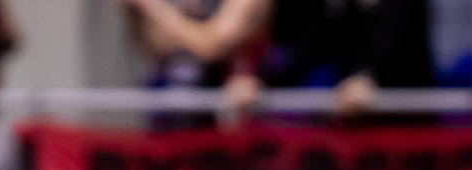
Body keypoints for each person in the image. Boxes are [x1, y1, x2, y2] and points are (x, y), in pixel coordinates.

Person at [116, 0, 434, 115]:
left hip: (263, 120)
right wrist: (134, 13)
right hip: (196, 104)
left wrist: (151, 6)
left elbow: (212, 44)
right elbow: (157, 45)